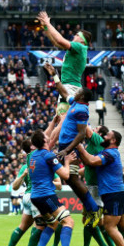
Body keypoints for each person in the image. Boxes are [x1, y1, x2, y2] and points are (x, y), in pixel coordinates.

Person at [43, 63, 101, 227]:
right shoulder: (75, 104)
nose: (75, 93)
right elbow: (62, 90)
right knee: (69, 178)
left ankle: (93, 207)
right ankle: (90, 207)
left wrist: (68, 150)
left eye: (79, 92)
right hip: (65, 146)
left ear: (82, 96)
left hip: (71, 147)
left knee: (73, 178)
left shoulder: (82, 109)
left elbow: (82, 134)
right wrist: (54, 75)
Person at [1, 137, 62, 246]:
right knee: (43, 225)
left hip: (26, 197)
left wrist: (23, 175)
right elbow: (59, 185)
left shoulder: (26, 166)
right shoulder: (43, 162)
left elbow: (15, 186)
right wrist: (48, 181)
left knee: (23, 226)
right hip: (37, 196)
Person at [28, 130, 83, 246]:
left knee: (53, 223)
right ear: (44, 141)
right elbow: (65, 175)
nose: (49, 137)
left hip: (35, 196)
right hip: (46, 195)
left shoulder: (33, 155)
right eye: (46, 136)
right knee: (68, 221)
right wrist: (68, 161)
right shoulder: (48, 156)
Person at [73, 125, 119, 246]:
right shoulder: (92, 145)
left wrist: (77, 108)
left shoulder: (97, 140)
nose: (93, 129)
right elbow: (87, 167)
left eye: (96, 128)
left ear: (99, 134)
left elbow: (85, 128)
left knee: (93, 221)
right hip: (92, 186)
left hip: (95, 187)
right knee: (90, 220)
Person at [36, 11, 91, 114]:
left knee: (63, 119)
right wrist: (46, 28)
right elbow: (56, 42)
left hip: (70, 87)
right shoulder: (78, 49)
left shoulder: (80, 47)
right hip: (69, 87)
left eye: (77, 35)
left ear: (82, 40)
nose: (74, 36)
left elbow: (60, 40)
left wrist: (48, 23)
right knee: (62, 119)